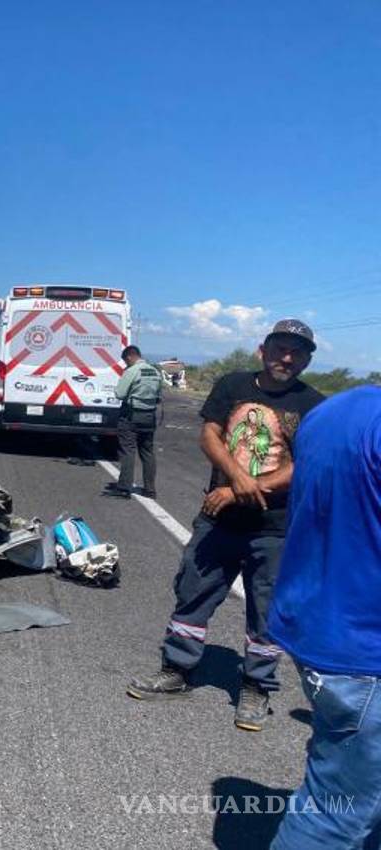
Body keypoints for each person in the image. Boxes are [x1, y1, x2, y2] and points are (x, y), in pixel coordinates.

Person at [126, 319, 324, 732]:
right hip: (218, 521)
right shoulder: (233, 385)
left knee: (267, 611)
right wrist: (237, 477)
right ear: (262, 349)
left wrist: (238, 489)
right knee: (192, 593)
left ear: (306, 359)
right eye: (279, 348)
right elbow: (210, 435)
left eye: (297, 352)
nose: (286, 357)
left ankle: (256, 687)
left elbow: (304, 466)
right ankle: (177, 671)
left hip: (274, 527)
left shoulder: (313, 405)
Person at [268, 386, 381, 848]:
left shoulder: (333, 410)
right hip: (365, 648)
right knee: (335, 815)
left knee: (356, 793)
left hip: (315, 624)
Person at [106, 345, 163, 499]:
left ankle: (124, 487)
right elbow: (158, 396)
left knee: (128, 451)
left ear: (130, 357)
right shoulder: (155, 372)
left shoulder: (132, 371)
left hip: (131, 416)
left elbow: (119, 393)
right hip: (149, 417)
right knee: (147, 452)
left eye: (126, 361)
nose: (126, 364)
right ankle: (150, 489)